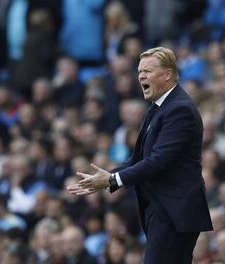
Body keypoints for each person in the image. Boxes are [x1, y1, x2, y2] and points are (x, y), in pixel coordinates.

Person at [67, 47, 213, 263]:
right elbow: (139, 159)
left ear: (167, 74)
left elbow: (158, 161)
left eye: (147, 71)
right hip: (164, 211)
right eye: (139, 71)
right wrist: (108, 179)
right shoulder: (156, 108)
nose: (141, 76)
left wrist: (112, 179)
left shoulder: (179, 109)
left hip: (175, 212)